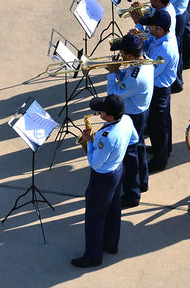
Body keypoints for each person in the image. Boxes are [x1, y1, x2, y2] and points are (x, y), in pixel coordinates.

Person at [72, 94, 139, 268]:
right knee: (113, 209)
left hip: (102, 177)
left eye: (101, 111)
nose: (98, 112)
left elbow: (95, 163)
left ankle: (93, 256)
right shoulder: (126, 120)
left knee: (95, 217)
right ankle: (111, 244)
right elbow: (134, 139)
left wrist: (89, 142)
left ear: (110, 117)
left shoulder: (107, 137)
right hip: (117, 170)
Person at [105, 34, 154, 208]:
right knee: (138, 146)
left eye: (122, 53)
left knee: (129, 155)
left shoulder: (136, 76)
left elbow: (114, 94)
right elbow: (125, 79)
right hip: (140, 112)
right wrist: (118, 71)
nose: (120, 55)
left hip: (133, 115)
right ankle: (143, 182)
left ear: (130, 56)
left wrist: (111, 74)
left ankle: (132, 194)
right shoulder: (144, 60)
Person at [134, 9, 179, 173]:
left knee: (158, 125)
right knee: (160, 122)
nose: (149, 30)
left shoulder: (165, 49)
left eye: (151, 27)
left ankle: (160, 161)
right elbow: (148, 45)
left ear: (160, 29)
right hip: (159, 87)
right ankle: (164, 149)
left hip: (159, 90)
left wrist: (136, 55)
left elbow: (150, 71)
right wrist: (139, 40)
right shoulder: (158, 36)